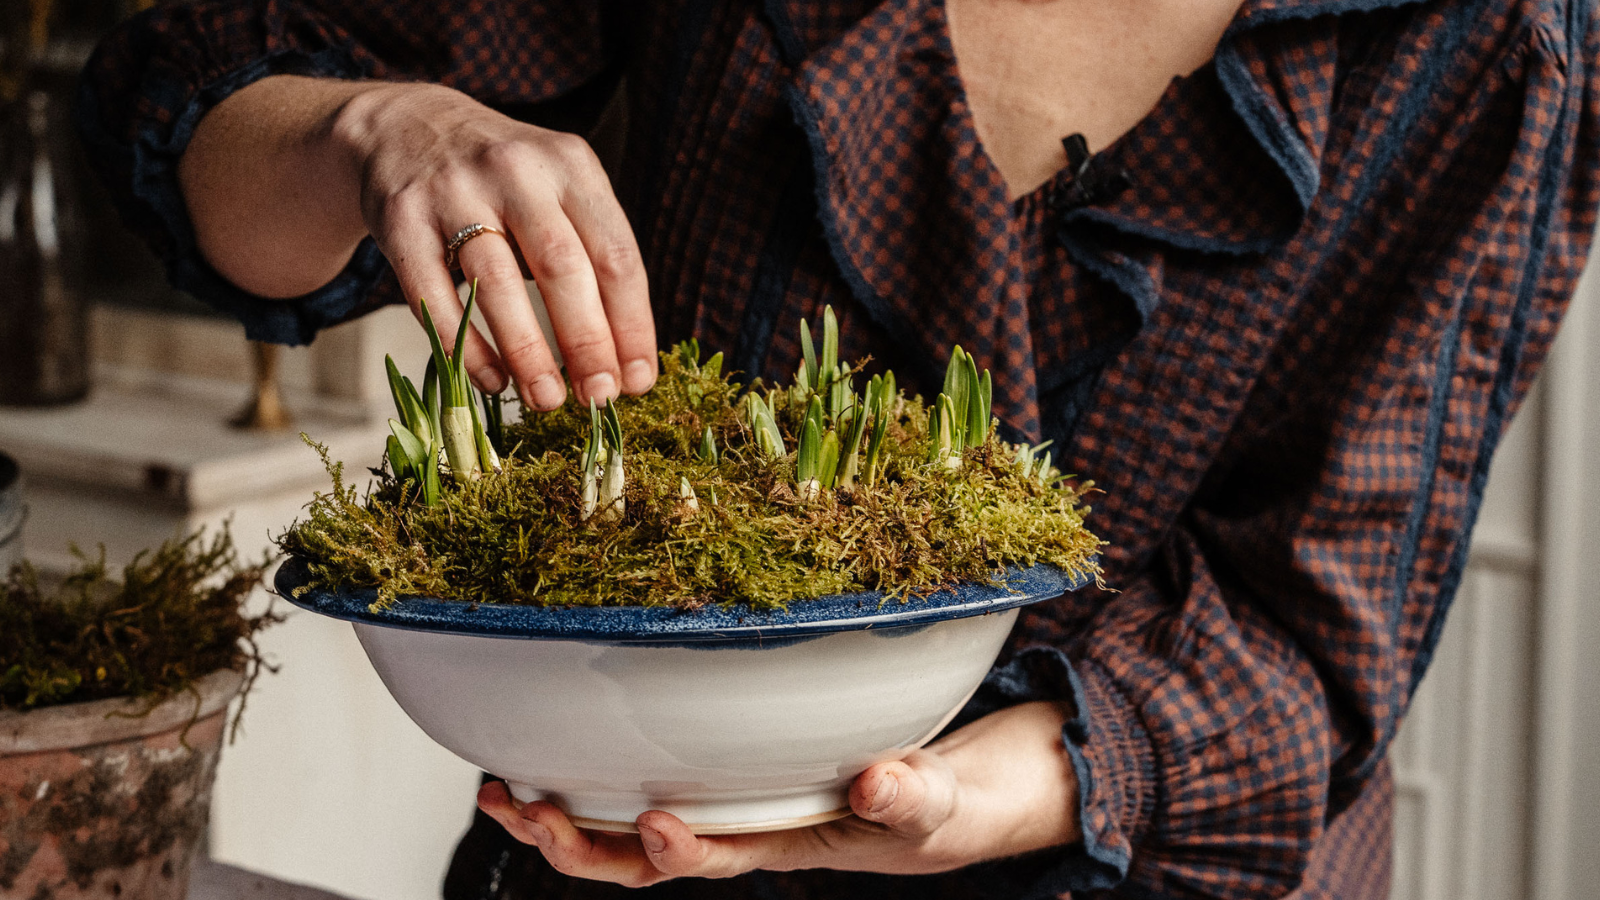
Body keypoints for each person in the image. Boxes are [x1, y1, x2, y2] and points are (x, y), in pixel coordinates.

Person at [77, 0, 1598, 897]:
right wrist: (376, 125)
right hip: (617, 842)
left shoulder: (1490, 32)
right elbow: (192, 115)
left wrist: (954, 802)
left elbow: (1316, 638)